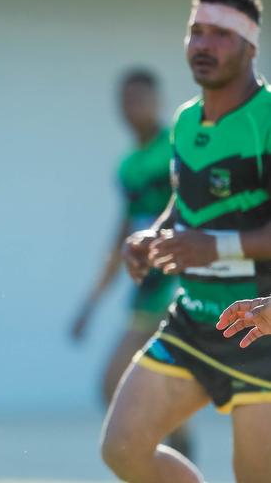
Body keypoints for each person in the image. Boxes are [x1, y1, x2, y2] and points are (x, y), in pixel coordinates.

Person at [100, 0, 271, 481]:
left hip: (261, 328)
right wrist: (150, 238)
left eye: (221, 34)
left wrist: (215, 246)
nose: (204, 44)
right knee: (122, 449)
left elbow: (211, 235)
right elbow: (185, 204)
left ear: (249, 45)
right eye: (197, 31)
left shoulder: (267, 119)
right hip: (196, 320)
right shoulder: (186, 121)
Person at [70, 70, 191, 454]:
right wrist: (90, 303)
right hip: (147, 294)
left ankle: (172, 458)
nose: (131, 107)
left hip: (180, 288)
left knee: (122, 384)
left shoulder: (178, 145)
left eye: (140, 98)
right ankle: (174, 458)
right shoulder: (128, 167)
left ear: (158, 100)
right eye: (125, 99)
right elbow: (121, 236)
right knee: (120, 388)